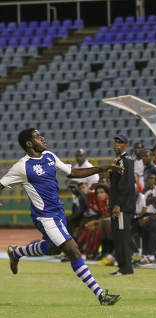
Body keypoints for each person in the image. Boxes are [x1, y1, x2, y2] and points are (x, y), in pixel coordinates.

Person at [1, 128, 121, 305]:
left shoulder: (49, 156)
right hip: (44, 216)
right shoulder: (21, 166)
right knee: (72, 248)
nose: (42, 138)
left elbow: (73, 173)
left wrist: (105, 168)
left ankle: (17, 252)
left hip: (58, 212)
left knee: (54, 249)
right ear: (29, 144)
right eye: (37, 137)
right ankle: (101, 295)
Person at [109, 134, 136, 276]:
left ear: (126, 145)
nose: (116, 145)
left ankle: (126, 268)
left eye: (120, 142)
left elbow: (125, 184)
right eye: (115, 142)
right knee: (118, 236)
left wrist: (118, 204)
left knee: (122, 237)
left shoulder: (126, 161)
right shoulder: (118, 161)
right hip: (117, 204)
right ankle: (123, 267)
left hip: (122, 207)